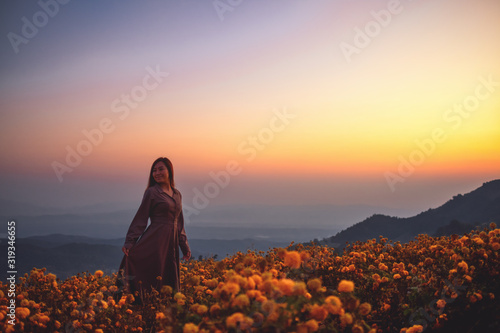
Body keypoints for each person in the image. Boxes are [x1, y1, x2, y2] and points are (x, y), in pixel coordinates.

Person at [116, 157, 191, 300]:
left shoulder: (177, 194)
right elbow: (141, 217)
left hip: (171, 242)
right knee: (155, 272)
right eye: (154, 170)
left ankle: (166, 309)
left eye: (161, 169)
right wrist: (130, 241)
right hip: (155, 239)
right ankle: (143, 304)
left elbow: (179, 222)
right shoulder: (152, 192)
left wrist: (184, 245)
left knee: (168, 274)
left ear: (169, 171)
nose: (157, 173)